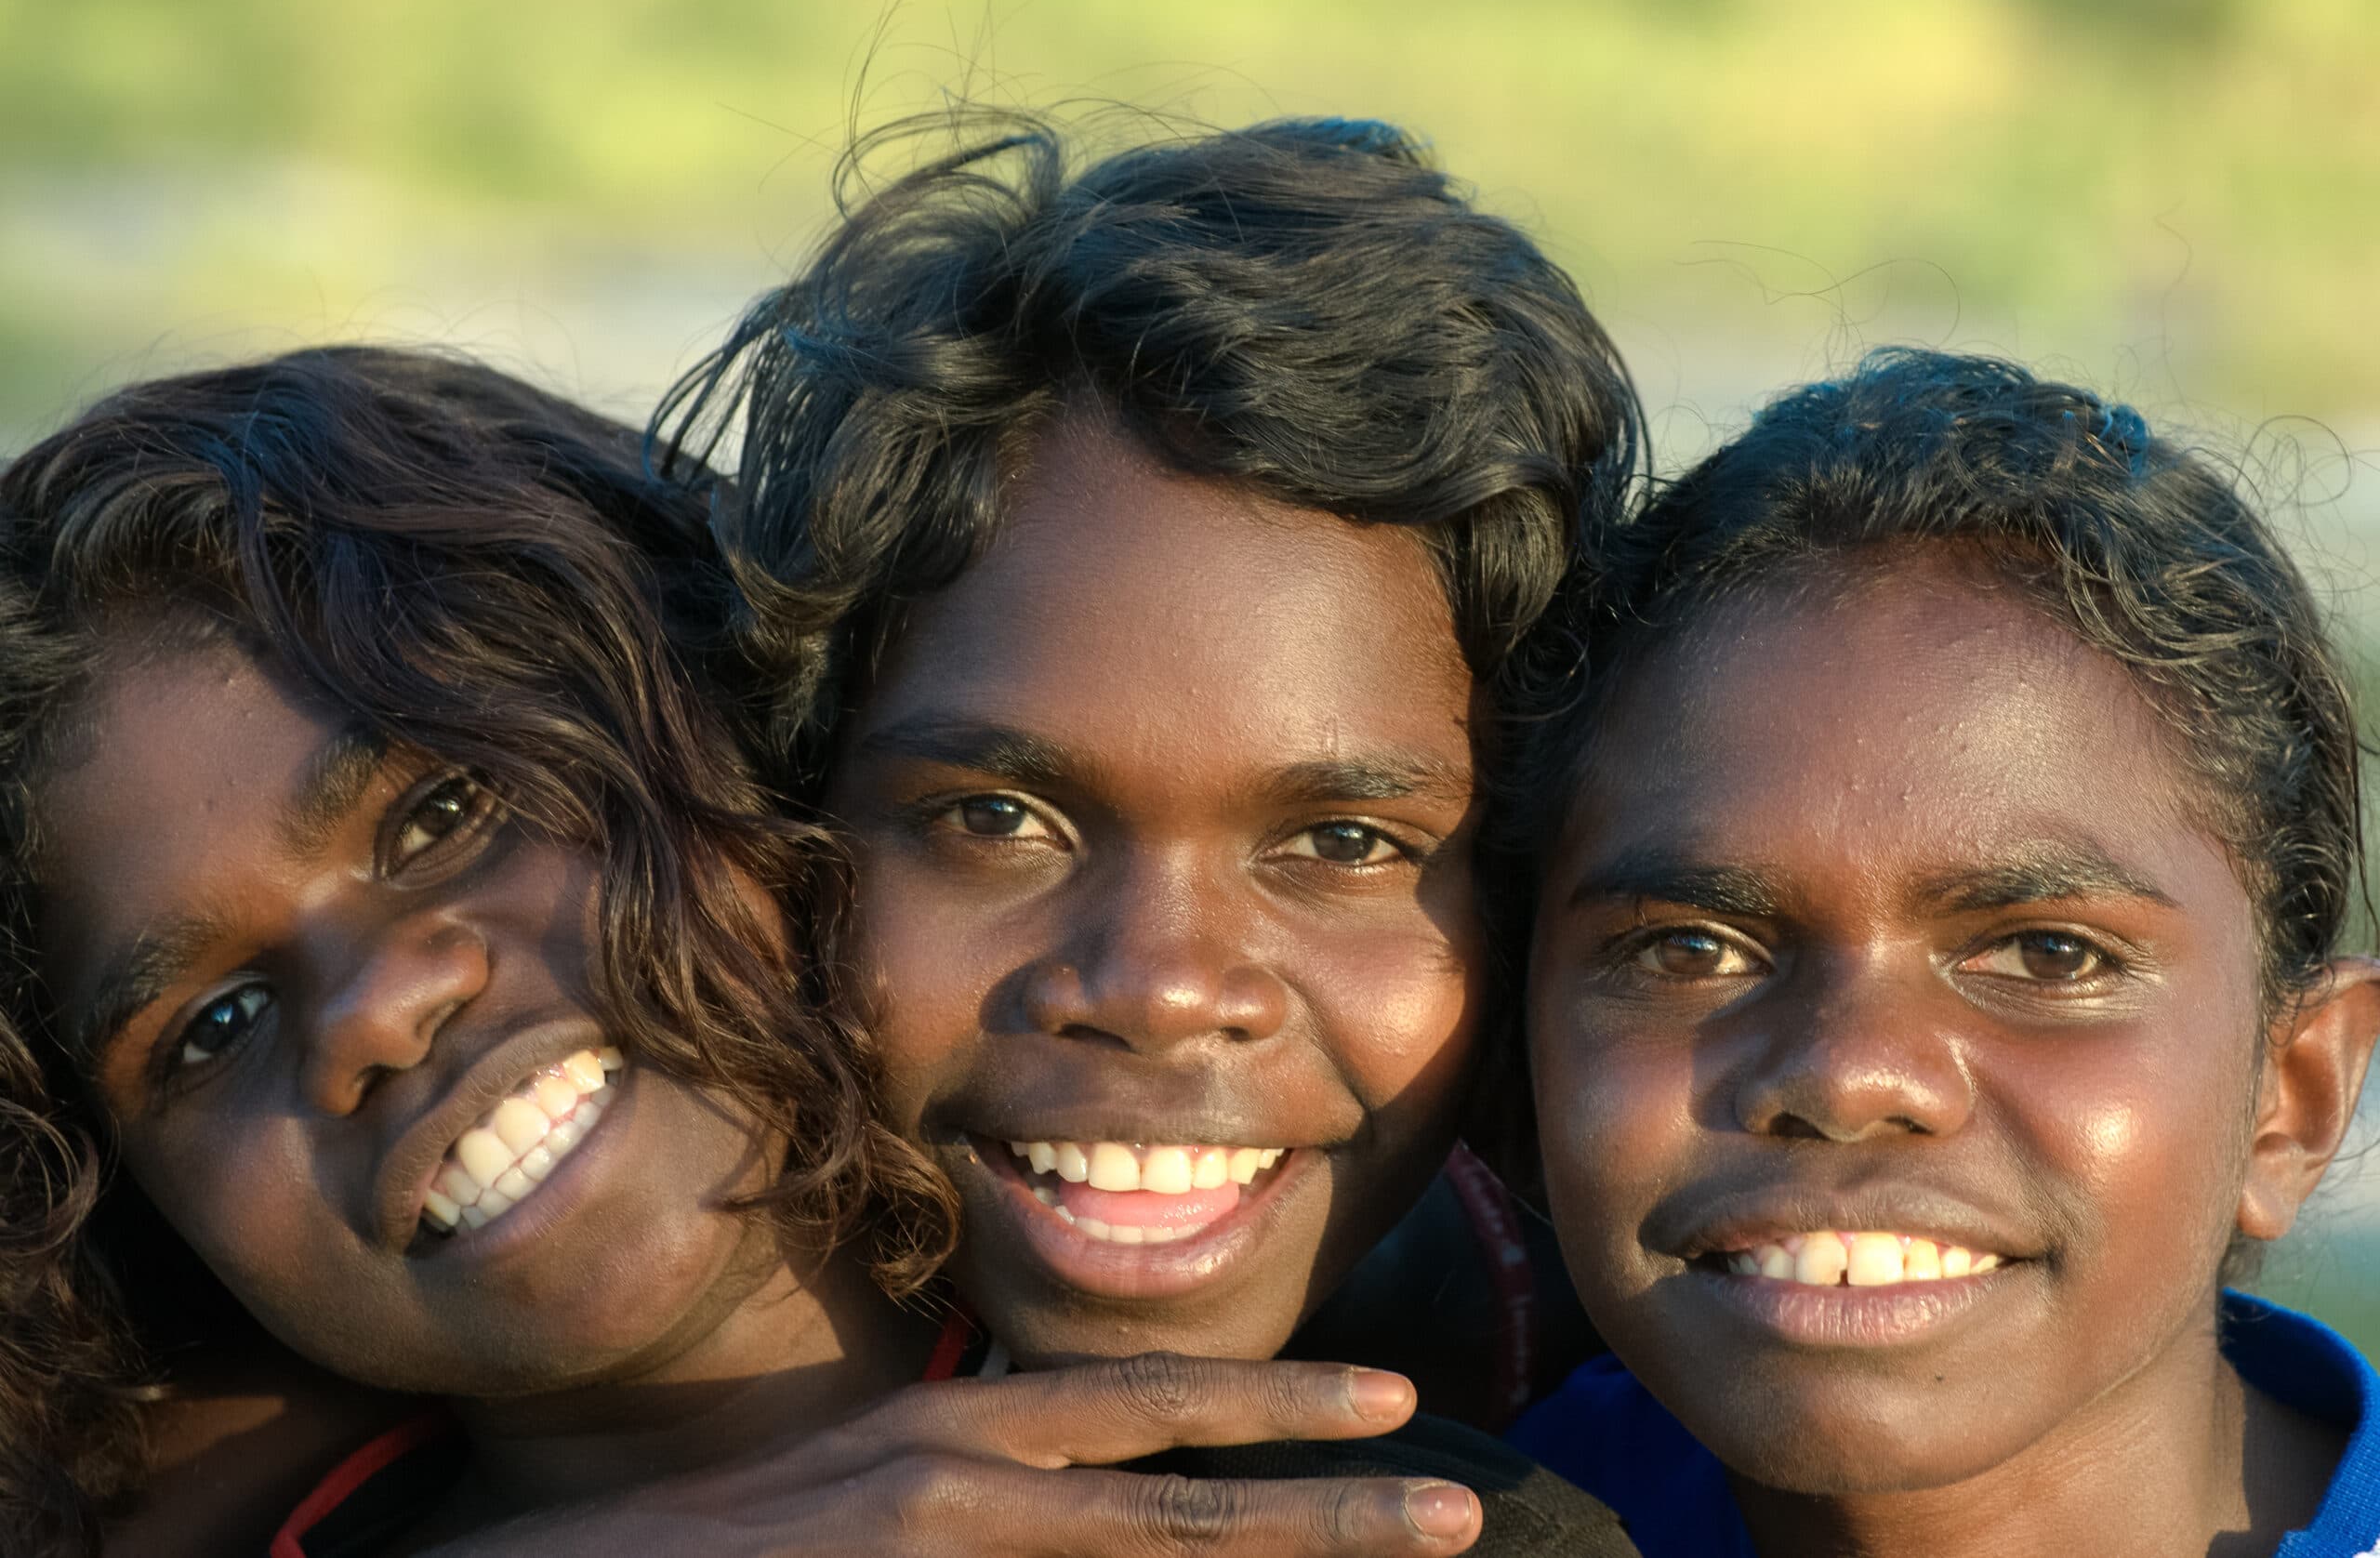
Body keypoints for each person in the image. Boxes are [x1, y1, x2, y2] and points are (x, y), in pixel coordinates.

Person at [1, 350, 1516, 1558]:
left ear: (732, 708)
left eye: (452, 811)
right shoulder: (213, 1504)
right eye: (209, 1025)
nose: (377, 1010)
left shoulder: (1414, 1460)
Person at [654, 109, 1637, 1411]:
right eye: (997, 818)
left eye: (1342, 844)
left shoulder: (1653, 1379)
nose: (1158, 988)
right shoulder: (574, 1359)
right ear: (791, 818)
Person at [1509, 350, 2380, 1555]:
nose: (1849, 1074)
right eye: (1692, 948)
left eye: (2047, 957)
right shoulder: (1387, 1522)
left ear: (2294, 1097)